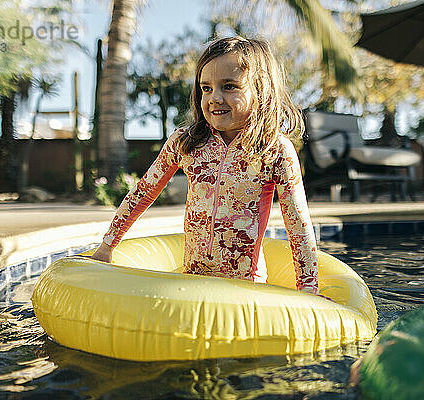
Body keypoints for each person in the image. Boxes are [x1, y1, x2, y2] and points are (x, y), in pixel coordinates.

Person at [91, 36, 319, 294]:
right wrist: (107, 247)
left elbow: (298, 224)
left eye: (229, 86)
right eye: (206, 88)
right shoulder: (187, 142)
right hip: (192, 283)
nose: (214, 98)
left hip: (246, 289)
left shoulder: (273, 150)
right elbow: (143, 193)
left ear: (261, 90)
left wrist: (308, 289)